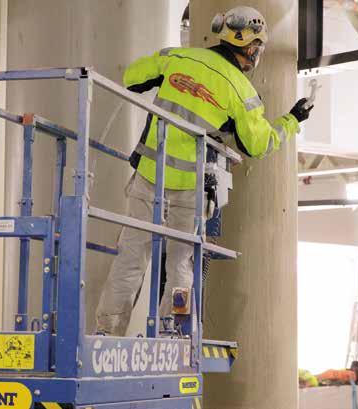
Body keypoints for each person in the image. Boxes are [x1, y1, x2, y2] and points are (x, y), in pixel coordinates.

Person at [96, 5, 314, 336]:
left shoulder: (178, 58)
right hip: (189, 186)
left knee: (130, 258)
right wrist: (292, 120)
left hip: (148, 177)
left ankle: (107, 334)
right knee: (180, 262)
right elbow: (258, 145)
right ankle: (172, 335)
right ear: (252, 48)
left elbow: (132, 78)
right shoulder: (243, 93)